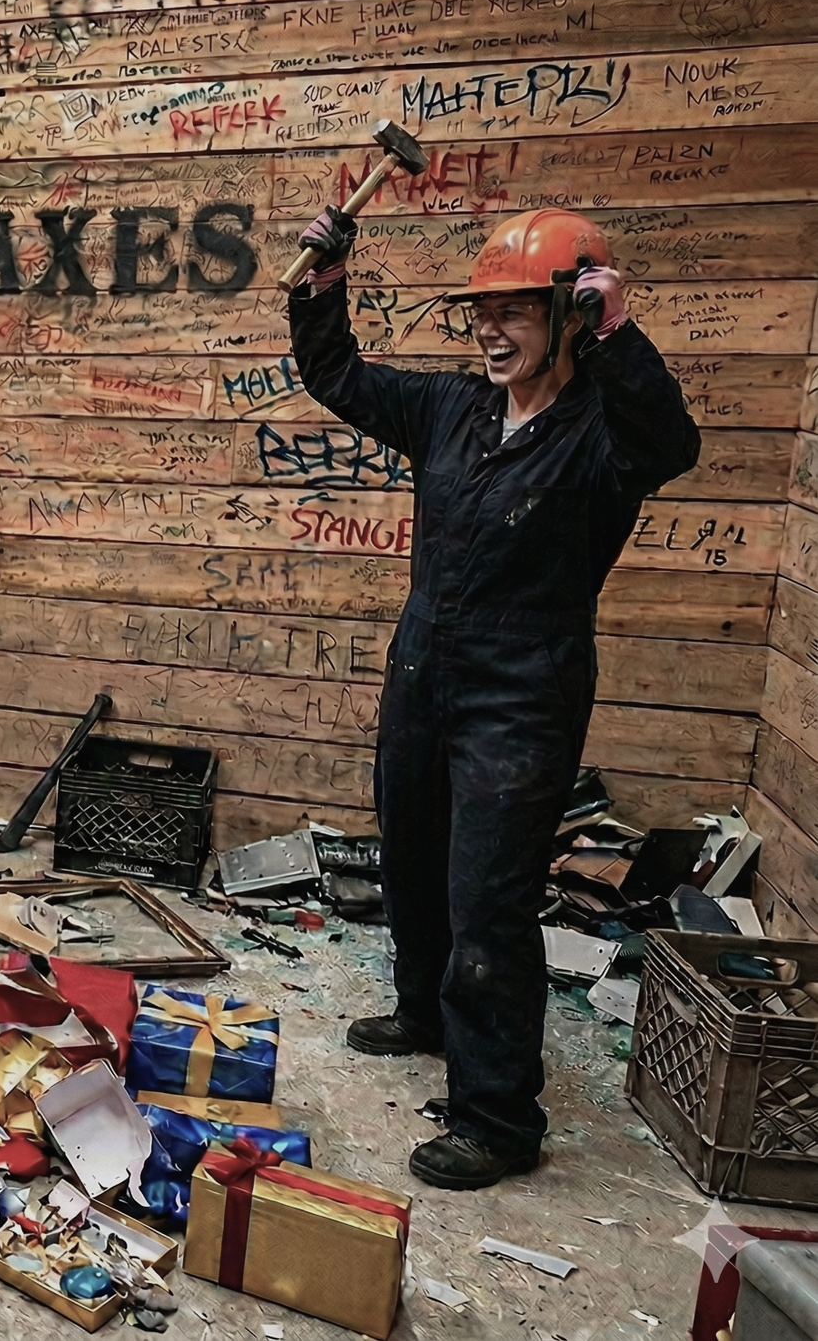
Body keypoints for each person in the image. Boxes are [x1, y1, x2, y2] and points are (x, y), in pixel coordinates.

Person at [289, 207, 699, 1189]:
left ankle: (498, 1119)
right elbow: (338, 375)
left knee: (488, 897)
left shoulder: (603, 437)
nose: (490, 329)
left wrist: (617, 333)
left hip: (522, 694)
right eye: (483, 310)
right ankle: (423, 1012)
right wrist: (322, 285)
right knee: (413, 854)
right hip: (424, 670)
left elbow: (672, 444)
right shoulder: (451, 408)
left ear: (568, 313)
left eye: (516, 310)